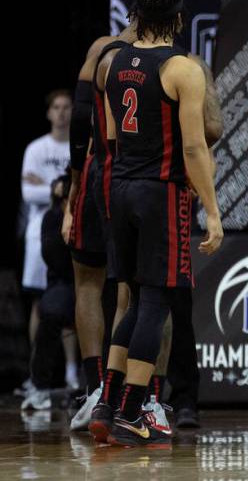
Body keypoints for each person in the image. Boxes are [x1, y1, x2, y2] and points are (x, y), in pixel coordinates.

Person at [90, 0, 222, 447]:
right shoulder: (182, 68)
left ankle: (108, 402)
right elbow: (193, 145)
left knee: (131, 295)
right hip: (159, 191)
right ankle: (132, 412)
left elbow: (108, 139)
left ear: (135, 18)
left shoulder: (111, 61)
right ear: (180, 19)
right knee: (155, 304)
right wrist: (211, 209)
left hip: (119, 185)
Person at [63, 27, 136, 430]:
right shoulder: (173, 59)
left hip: (95, 170)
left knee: (89, 283)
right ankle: (122, 394)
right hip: (137, 177)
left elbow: (79, 120)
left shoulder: (102, 48)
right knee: (135, 287)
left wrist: (74, 186)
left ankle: (97, 391)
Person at [21, 90, 72, 367]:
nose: (62, 113)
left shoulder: (77, 147)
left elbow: (79, 190)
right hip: (39, 233)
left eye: (66, 107)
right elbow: (28, 194)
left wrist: (48, 183)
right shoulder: (36, 149)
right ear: (49, 112)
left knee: (70, 300)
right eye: (57, 107)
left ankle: (73, 372)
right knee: (41, 302)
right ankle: (35, 373)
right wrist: (60, 187)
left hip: (71, 228)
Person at [20, 173, 76, 411]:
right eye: (64, 199)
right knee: (50, 309)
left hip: (96, 282)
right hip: (65, 282)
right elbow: (56, 260)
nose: (67, 204)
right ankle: (40, 385)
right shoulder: (51, 219)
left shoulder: (95, 215)